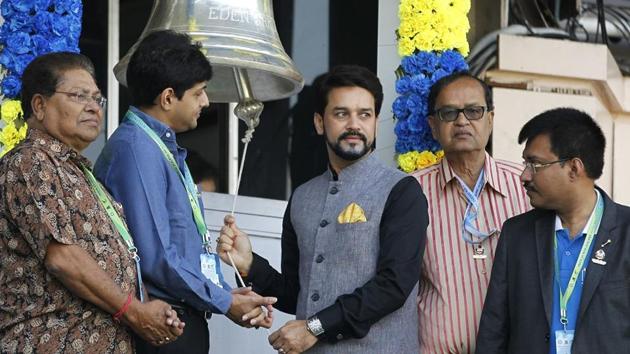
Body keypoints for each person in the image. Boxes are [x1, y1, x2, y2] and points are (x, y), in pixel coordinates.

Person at [217, 65, 429, 353]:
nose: (354, 124)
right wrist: (250, 264)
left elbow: (393, 287)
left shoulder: (402, 191)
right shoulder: (303, 198)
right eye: (341, 114)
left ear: (376, 122)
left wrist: (314, 327)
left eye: (364, 115)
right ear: (319, 122)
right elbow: (296, 294)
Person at [94, 30, 276, 354]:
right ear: (167, 98)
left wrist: (227, 295)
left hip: (180, 321)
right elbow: (157, 256)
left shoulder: (160, 146)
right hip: (160, 326)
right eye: (199, 93)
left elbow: (185, 250)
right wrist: (222, 300)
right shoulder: (137, 149)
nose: (206, 103)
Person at [0, 52, 184, 353]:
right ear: (39, 105)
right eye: (78, 95)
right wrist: (135, 312)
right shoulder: (31, 161)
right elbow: (64, 258)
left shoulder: (81, 173)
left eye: (97, 99)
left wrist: (148, 307)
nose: (92, 107)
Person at [476, 108, 630, 353]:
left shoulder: (625, 232)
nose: (524, 176)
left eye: (534, 164)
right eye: (525, 163)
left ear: (573, 168)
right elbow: (494, 330)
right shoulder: (517, 235)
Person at [411, 72, 530, 353]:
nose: (462, 121)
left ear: (490, 119)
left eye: (474, 111)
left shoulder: (526, 186)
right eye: (449, 112)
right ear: (433, 125)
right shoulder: (410, 193)